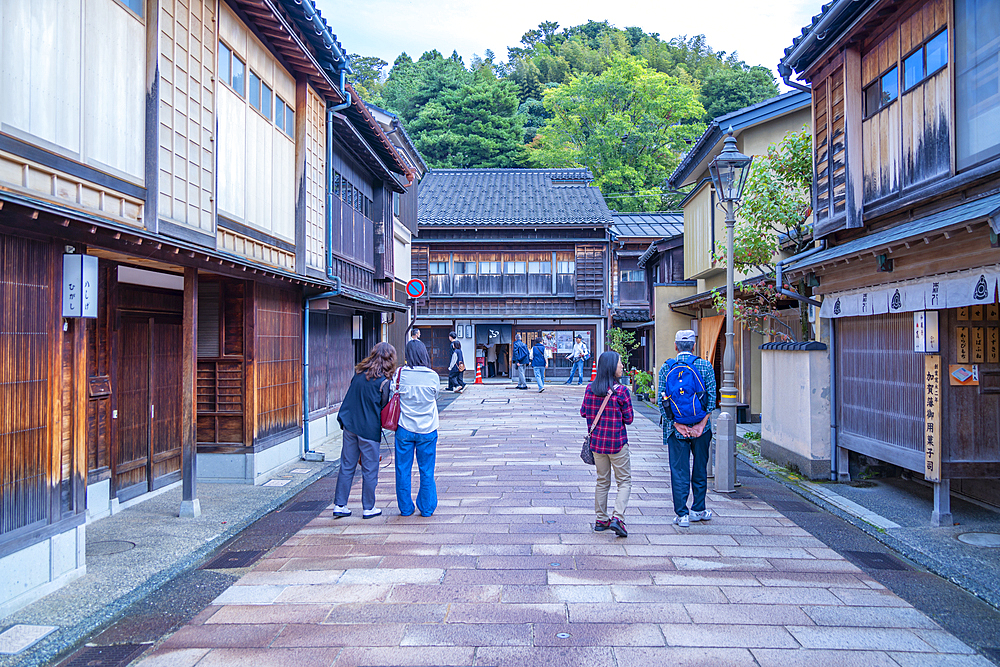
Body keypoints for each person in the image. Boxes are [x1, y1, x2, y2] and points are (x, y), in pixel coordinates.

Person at [659, 329, 717, 528]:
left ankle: (682, 514)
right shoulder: (705, 366)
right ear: (694, 346)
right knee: (700, 468)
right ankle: (698, 509)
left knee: (679, 470)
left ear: (676, 346)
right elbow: (711, 399)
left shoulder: (667, 367)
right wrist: (701, 424)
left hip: (676, 430)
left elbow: (662, 401)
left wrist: (677, 424)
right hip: (702, 428)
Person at [333, 342, 396, 519]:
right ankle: (368, 507)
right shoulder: (384, 382)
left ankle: (340, 504)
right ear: (390, 359)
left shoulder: (359, 374)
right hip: (369, 429)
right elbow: (383, 405)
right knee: (370, 468)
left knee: (347, 465)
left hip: (350, 425)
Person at [580, 351, 634, 538]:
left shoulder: (590, 389)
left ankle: (601, 519)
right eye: (620, 363)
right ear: (612, 366)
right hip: (617, 444)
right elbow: (629, 419)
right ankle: (618, 518)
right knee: (624, 482)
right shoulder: (622, 391)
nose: (622, 366)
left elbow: (583, 412)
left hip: (597, 445)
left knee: (602, 481)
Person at [394, 340, 441, 517]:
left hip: (404, 427)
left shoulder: (400, 374)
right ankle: (427, 508)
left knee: (402, 469)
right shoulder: (432, 376)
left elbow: (393, 394)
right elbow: (435, 396)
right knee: (427, 470)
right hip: (428, 428)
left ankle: (405, 508)